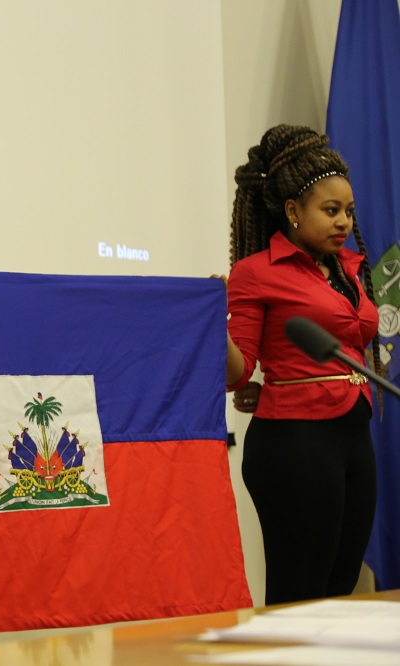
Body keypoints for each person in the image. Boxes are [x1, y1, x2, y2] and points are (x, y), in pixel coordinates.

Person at [223, 124, 380, 606]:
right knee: (300, 593)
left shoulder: (352, 268)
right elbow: (235, 373)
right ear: (292, 211)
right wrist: (210, 324)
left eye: (348, 212)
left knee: (342, 584)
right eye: (330, 211)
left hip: (353, 435)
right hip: (295, 442)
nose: (343, 223)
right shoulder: (255, 273)